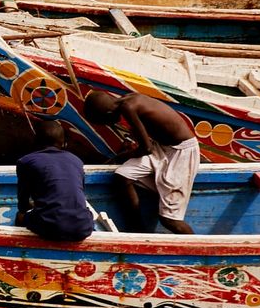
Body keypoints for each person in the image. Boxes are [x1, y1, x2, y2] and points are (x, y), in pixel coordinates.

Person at [82, 89, 199, 234]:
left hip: (181, 152)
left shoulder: (128, 108)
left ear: (108, 115)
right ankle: (137, 229)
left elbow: (146, 148)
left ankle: (200, 251)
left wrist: (121, 156)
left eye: (105, 123)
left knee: (169, 220)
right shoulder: (126, 99)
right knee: (123, 176)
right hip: (162, 147)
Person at [15, 119, 94, 242]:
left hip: (51, 226)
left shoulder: (26, 161)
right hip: (83, 227)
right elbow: (78, 193)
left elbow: (23, 202)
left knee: (20, 216)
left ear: (35, 140)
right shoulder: (77, 161)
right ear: (63, 143)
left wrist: (28, 210)